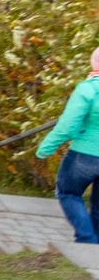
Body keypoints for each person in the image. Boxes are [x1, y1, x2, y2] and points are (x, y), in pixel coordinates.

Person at [36, 47, 99, 244]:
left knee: (68, 192)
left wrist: (46, 147)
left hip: (85, 155)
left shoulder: (88, 89)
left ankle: (87, 240)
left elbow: (67, 126)